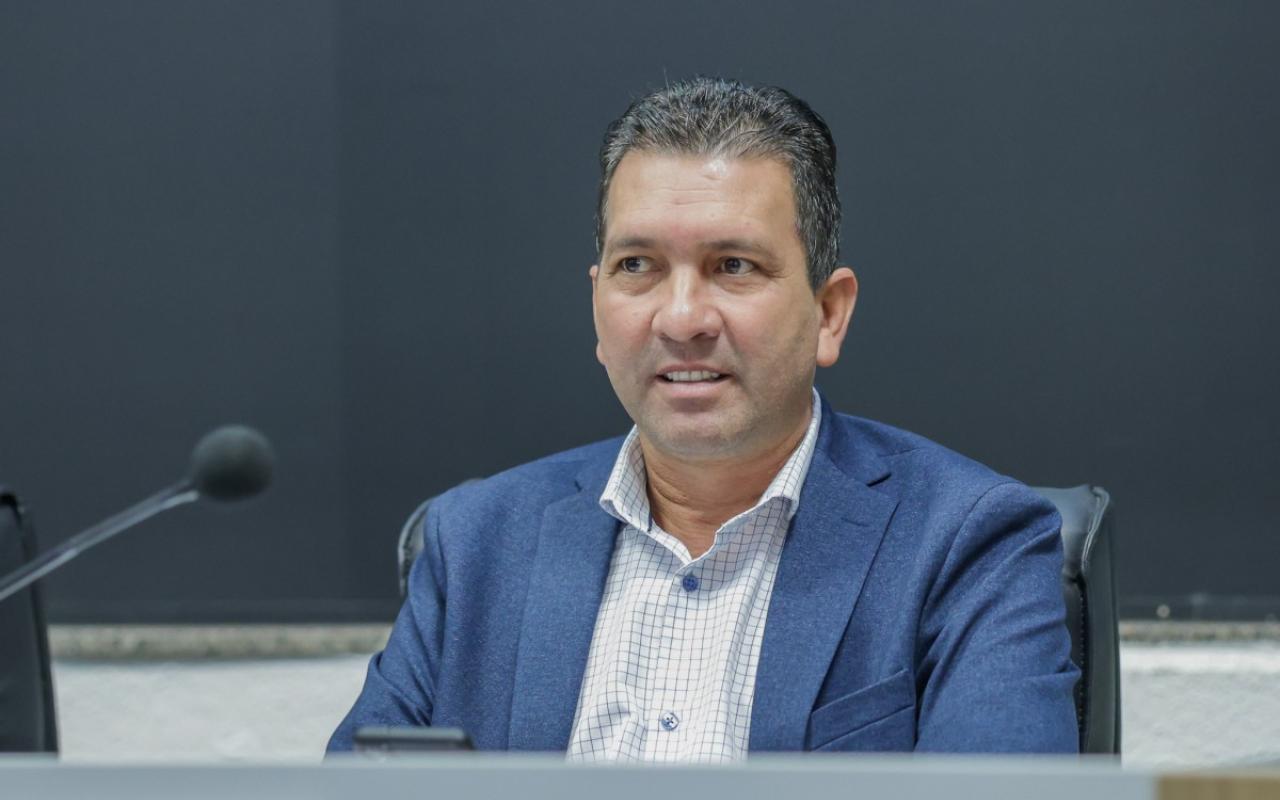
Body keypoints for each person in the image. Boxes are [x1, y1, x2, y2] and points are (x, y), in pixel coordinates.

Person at [328, 77, 1079, 760]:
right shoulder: (475, 541)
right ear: (597, 306)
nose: (682, 318)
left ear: (828, 312)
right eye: (637, 267)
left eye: (734, 266)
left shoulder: (969, 543)